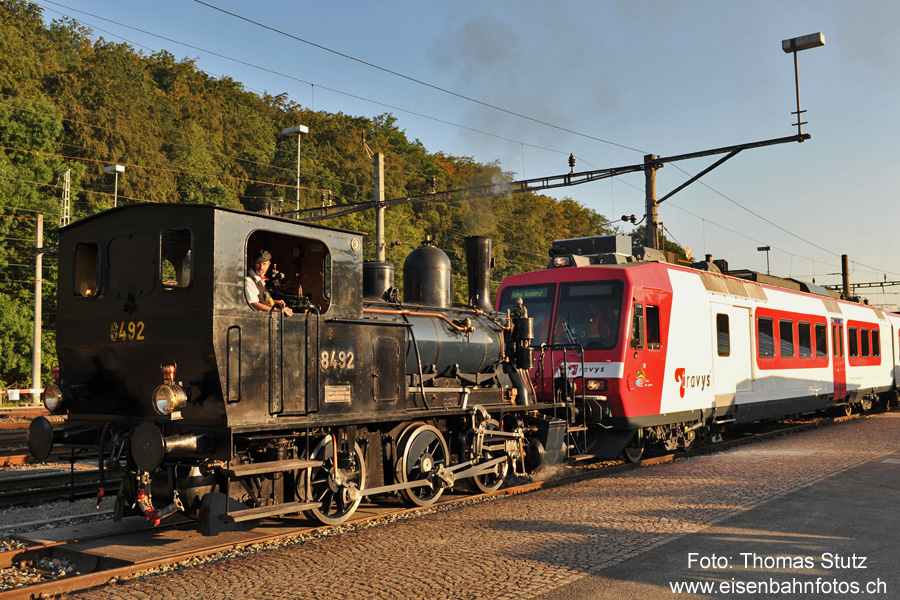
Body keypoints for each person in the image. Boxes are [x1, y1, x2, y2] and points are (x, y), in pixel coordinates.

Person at [245, 250, 293, 316]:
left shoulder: (260, 281)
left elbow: (261, 300)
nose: (261, 267)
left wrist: (275, 302)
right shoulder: (248, 280)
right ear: (253, 263)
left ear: (269, 264)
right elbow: (253, 304)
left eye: (264, 264)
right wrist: (278, 310)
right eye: (258, 263)